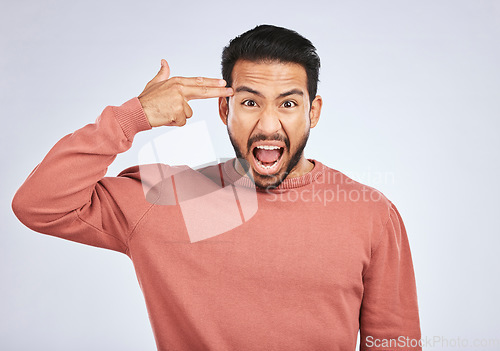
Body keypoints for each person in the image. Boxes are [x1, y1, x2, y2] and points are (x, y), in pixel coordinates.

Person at [12, 25, 421, 350]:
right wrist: (132, 118)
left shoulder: (369, 213)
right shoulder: (166, 197)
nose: (267, 124)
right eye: (249, 102)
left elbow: (394, 343)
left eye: (288, 103)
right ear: (224, 108)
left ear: (313, 112)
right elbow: (39, 204)